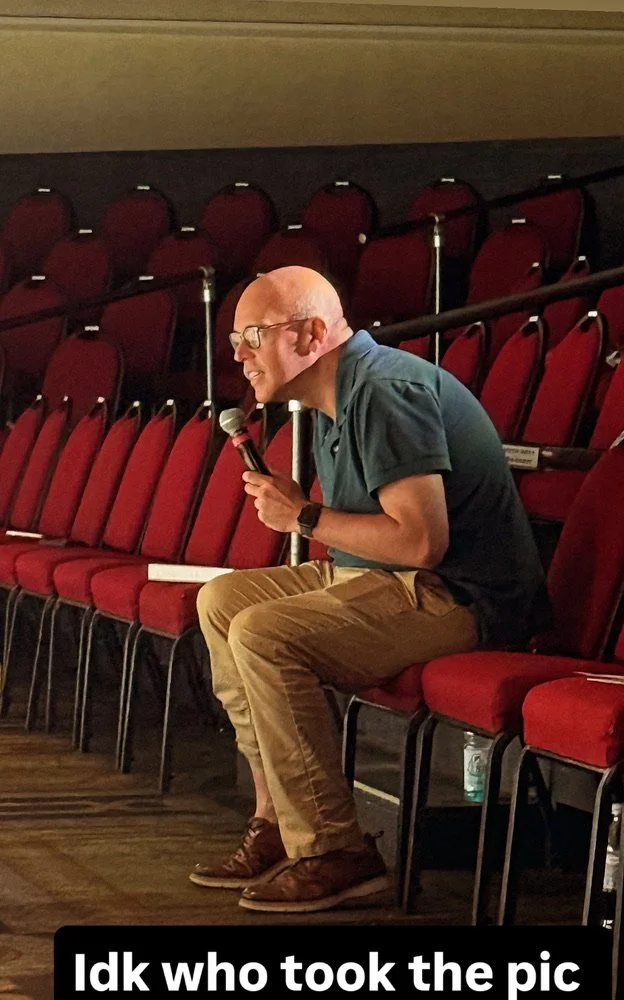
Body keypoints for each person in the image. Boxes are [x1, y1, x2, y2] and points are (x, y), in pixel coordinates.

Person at [191, 265, 546, 913]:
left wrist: (302, 517)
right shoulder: (335, 398)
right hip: (387, 580)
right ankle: (276, 823)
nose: (238, 355)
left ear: (312, 332)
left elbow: (419, 545)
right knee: (223, 602)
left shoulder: (384, 390)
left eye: (252, 335)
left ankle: (334, 850)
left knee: (264, 632)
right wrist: (306, 514)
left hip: (457, 595)